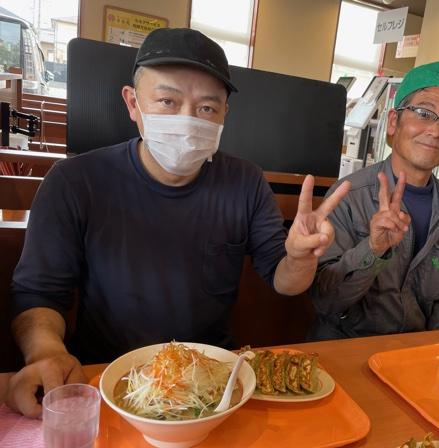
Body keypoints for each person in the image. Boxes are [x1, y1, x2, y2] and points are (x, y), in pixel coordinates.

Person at [7, 28, 350, 417]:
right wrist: (46, 352)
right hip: (108, 379)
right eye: (167, 101)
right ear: (133, 103)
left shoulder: (246, 182)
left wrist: (301, 258)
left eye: (206, 108)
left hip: (214, 386)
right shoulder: (74, 181)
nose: (187, 120)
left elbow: (284, 280)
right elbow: (38, 293)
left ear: (224, 115)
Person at [310, 62, 439, 340]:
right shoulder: (348, 196)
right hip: (347, 350)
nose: (436, 130)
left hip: (412, 354)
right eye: (424, 113)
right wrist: (373, 249)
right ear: (394, 121)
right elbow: (325, 301)